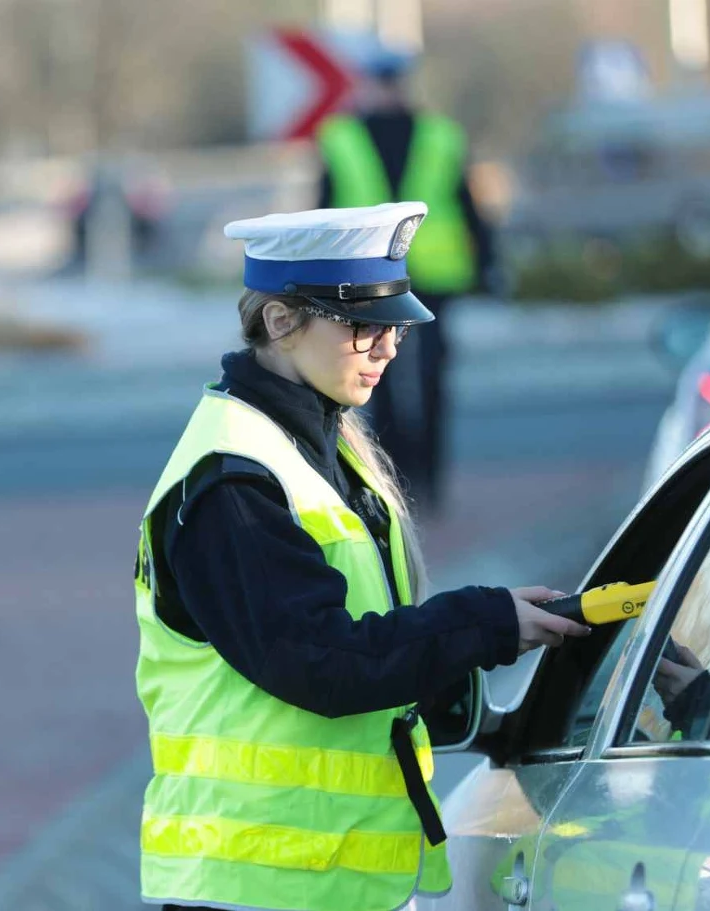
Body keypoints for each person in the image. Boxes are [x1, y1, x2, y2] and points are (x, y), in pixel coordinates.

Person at [134, 202, 587, 911]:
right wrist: (484, 622)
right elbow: (323, 660)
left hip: (320, 877)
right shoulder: (233, 478)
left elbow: (368, 635)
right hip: (251, 883)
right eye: (363, 326)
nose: (389, 347)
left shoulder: (322, 447)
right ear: (282, 322)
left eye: (397, 324)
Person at [315, 47, 495, 514]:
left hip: (427, 274)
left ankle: (428, 479)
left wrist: (488, 260)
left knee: (430, 376)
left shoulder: (441, 136)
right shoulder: (340, 139)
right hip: (369, 276)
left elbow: (468, 205)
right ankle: (398, 479)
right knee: (378, 378)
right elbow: (325, 210)